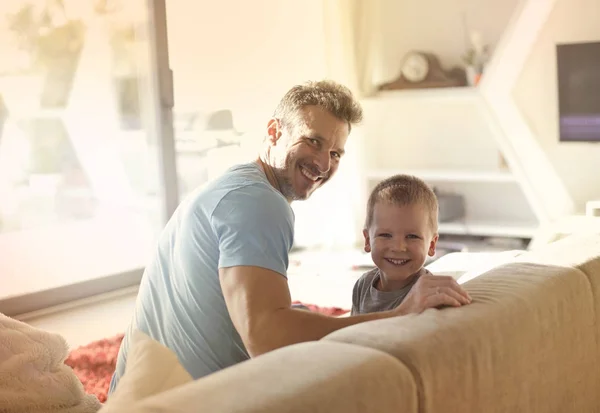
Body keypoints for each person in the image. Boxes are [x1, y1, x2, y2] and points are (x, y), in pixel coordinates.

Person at [109, 80, 472, 394]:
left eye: (335, 153)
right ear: (274, 132)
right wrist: (401, 313)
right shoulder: (261, 204)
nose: (324, 164)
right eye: (312, 142)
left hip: (133, 395)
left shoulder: (231, 187)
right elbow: (267, 338)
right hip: (193, 402)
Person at [352, 174, 471, 315]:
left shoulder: (430, 295)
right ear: (367, 241)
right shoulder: (362, 285)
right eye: (385, 235)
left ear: (432, 245)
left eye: (412, 236)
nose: (398, 247)